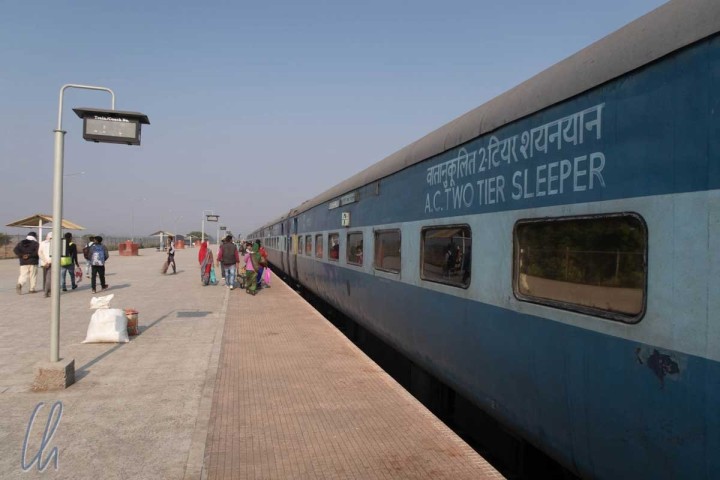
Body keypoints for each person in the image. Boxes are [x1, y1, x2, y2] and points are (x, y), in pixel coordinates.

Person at [38, 232, 53, 298]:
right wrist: (49, 262)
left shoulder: (42, 243)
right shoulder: (54, 244)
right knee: (49, 278)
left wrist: (45, 261)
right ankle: (47, 292)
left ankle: (46, 290)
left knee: (45, 277)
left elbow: (40, 253)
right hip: (50, 263)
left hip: (44, 263)